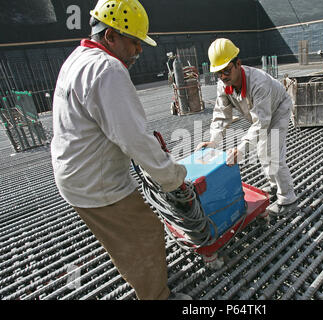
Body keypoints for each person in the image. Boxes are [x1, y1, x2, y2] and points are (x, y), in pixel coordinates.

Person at [50, 0, 191, 300]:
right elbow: (135, 139)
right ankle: (156, 294)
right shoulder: (107, 69)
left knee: (119, 237)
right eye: (134, 42)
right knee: (145, 235)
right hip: (95, 182)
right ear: (110, 36)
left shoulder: (78, 58)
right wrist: (174, 178)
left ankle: (143, 272)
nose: (139, 51)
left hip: (74, 174)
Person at [196, 38, 298, 216]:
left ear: (238, 64)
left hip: (278, 109)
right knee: (261, 150)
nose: (223, 76)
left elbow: (261, 122)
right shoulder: (224, 85)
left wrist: (241, 149)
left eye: (226, 70)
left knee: (272, 153)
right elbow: (221, 115)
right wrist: (213, 141)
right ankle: (275, 185)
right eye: (219, 73)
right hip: (261, 115)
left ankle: (288, 200)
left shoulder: (259, 83)